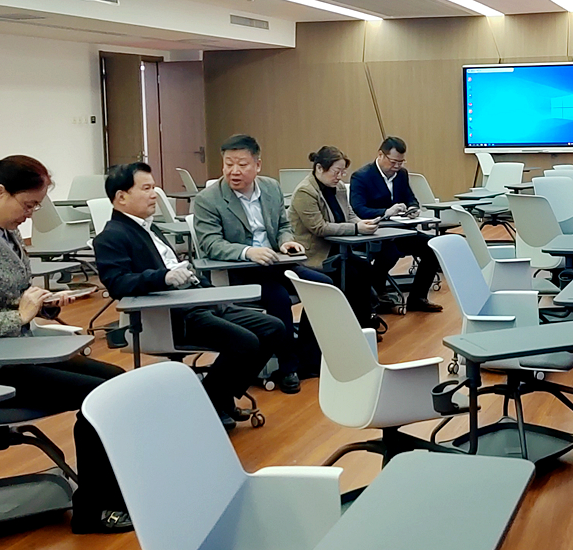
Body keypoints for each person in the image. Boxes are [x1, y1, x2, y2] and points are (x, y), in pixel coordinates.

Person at [0, 155, 130, 534]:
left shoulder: (3, 233)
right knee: (99, 396)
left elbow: (12, 297)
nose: (30, 215)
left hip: (17, 354)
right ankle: (93, 510)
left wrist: (43, 303)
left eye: (36, 206)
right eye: (28, 205)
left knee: (116, 381)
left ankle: (113, 490)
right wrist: (21, 316)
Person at [92, 162, 286, 427]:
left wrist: (209, 291)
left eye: (153, 187)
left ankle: (216, 398)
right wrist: (162, 277)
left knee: (274, 328)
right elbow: (118, 284)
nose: (154, 194)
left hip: (199, 302)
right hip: (173, 315)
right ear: (121, 197)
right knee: (245, 342)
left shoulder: (148, 227)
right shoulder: (111, 236)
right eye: (146, 188)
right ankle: (212, 402)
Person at [191, 134, 330, 393]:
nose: (234, 171)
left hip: (277, 263)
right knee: (279, 298)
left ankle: (307, 357)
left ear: (257, 165)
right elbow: (211, 244)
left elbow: (283, 226)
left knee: (323, 286)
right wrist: (248, 252)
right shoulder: (208, 199)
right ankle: (287, 367)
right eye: (228, 164)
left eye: (242, 164)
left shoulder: (270, 188)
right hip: (241, 271)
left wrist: (287, 242)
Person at [287, 146, 387, 335]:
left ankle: (363, 325)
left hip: (338, 249)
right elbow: (319, 227)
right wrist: (356, 228)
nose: (340, 176)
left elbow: (349, 213)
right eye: (336, 171)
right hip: (315, 254)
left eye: (343, 172)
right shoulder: (305, 192)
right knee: (350, 276)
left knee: (365, 269)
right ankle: (349, 329)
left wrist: (362, 223)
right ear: (319, 168)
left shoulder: (338, 187)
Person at [348, 135, 443, 313]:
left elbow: (410, 198)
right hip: (376, 232)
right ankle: (378, 292)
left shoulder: (402, 175)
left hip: (401, 230)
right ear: (380, 155)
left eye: (401, 162)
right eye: (393, 162)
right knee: (390, 251)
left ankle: (418, 298)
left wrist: (413, 208)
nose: (397, 166)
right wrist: (385, 212)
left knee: (432, 247)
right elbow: (358, 209)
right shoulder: (361, 176)